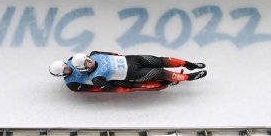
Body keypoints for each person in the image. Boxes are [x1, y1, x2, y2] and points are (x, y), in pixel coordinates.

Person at [70, 51, 207, 91]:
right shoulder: (96, 78)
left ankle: (189, 64)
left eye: (87, 58)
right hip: (133, 74)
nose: (90, 61)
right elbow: (111, 88)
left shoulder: (95, 54)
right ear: (83, 68)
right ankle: (190, 77)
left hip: (134, 59)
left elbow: (112, 53)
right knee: (160, 72)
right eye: (86, 63)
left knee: (161, 60)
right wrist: (128, 85)